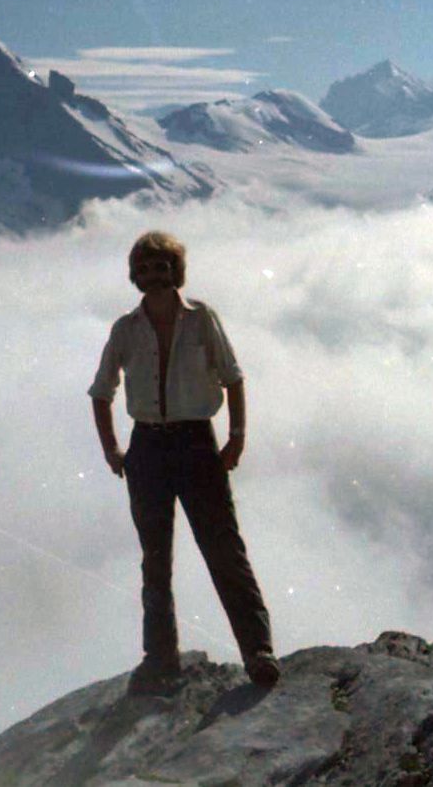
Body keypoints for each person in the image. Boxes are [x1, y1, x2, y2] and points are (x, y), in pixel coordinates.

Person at [88, 230, 280, 695]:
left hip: (197, 444)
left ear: (176, 271)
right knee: (156, 560)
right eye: (146, 268)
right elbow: (101, 392)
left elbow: (233, 378)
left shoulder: (201, 319)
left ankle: (258, 653)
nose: (154, 275)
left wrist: (235, 438)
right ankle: (160, 659)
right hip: (147, 448)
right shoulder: (125, 329)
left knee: (224, 551)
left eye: (162, 266)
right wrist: (113, 450)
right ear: (135, 275)